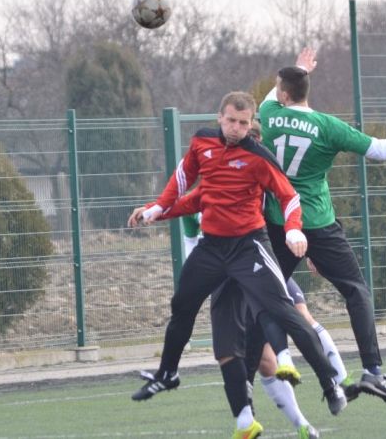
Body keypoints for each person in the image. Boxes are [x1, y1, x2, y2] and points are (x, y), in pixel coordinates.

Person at [128, 91, 345, 439]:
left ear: (250, 123)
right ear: (220, 117)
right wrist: (156, 209)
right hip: (212, 249)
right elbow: (183, 181)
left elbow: (289, 196)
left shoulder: (258, 157)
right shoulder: (202, 143)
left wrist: (293, 229)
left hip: (249, 248)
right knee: (183, 305)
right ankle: (169, 374)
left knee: (286, 312)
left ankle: (329, 383)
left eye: (244, 123)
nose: (236, 128)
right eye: (231, 120)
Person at [258, 48, 386, 408]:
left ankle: (281, 367)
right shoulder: (328, 127)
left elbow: (271, 95)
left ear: (283, 93)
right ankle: (372, 371)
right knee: (356, 291)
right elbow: (379, 150)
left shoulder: (269, 113)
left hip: (279, 222)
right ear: (305, 91)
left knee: (266, 296)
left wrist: (299, 67)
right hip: (317, 224)